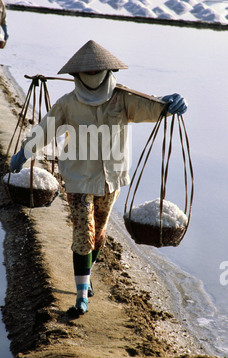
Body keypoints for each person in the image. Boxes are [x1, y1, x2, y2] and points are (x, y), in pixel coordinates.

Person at [10, 40, 188, 317]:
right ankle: (82, 296)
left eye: (97, 72)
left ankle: (86, 275)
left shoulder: (123, 98)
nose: (92, 77)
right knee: (83, 233)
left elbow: (151, 107)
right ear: (76, 75)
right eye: (87, 73)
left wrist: (168, 103)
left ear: (108, 71)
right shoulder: (68, 104)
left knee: (99, 232)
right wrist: (25, 151)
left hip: (111, 178)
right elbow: (46, 129)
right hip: (79, 177)